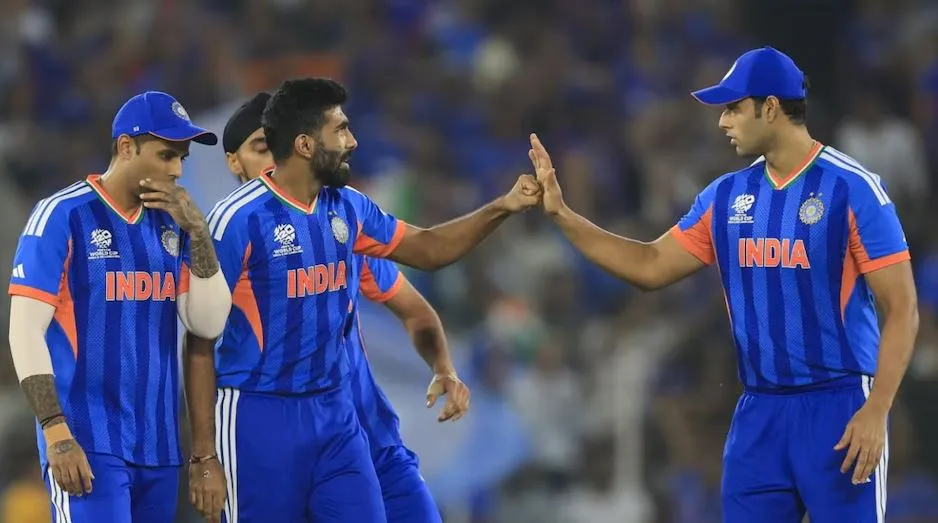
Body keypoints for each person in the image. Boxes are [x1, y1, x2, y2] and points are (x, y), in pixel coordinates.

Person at [528, 46, 919, 522]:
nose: (722, 121)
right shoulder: (726, 196)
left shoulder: (853, 189)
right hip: (758, 411)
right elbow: (650, 265)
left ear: (770, 108)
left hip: (839, 408)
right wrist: (563, 216)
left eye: (733, 108)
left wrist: (877, 409)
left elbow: (902, 308)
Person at [205, 77, 539, 522]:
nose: (353, 142)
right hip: (269, 430)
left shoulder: (349, 220)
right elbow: (196, 340)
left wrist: (443, 366)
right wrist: (203, 452)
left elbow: (422, 277)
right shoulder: (235, 229)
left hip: (360, 433)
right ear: (235, 162)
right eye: (260, 147)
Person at [6, 91, 232, 522]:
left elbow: (207, 323)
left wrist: (200, 234)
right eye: (166, 155)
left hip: (159, 446)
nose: (176, 170)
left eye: (182, 158)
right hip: (86, 441)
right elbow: (25, 330)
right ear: (127, 147)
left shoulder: (175, 226)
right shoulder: (62, 215)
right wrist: (55, 429)